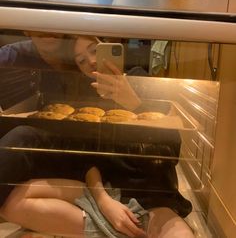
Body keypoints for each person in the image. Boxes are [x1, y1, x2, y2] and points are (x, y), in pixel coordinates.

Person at [0, 33, 194, 237]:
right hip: (106, 189)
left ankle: (112, 229)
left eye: (94, 51)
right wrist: (105, 202)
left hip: (149, 194)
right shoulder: (85, 97)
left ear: (108, 46)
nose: (91, 62)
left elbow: (172, 149)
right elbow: (88, 158)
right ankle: (113, 227)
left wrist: (134, 103)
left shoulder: (141, 79)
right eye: (81, 60)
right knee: (11, 202)